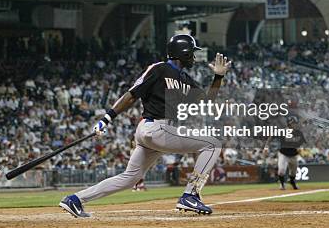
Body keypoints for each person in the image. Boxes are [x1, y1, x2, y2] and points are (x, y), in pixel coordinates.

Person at [60, 34, 230, 217]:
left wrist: (218, 77)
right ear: (183, 53)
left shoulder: (185, 79)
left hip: (155, 133)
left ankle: (75, 199)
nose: (194, 57)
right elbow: (132, 94)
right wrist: (107, 118)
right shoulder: (159, 69)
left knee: (130, 178)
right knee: (213, 144)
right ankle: (191, 194)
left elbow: (207, 102)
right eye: (192, 53)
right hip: (155, 128)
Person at [276, 116, 305, 190]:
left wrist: (299, 148)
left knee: (293, 173)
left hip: (294, 155)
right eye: (293, 123)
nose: (295, 124)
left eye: (295, 123)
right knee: (281, 170)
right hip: (284, 154)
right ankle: (282, 184)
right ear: (289, 123)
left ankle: (292, 182)